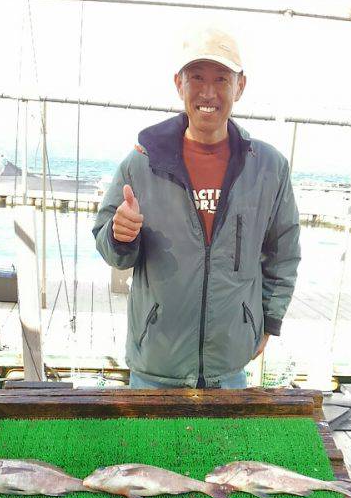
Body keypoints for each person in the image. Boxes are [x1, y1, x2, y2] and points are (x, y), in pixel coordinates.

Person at [92, 27, 300, 389]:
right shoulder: (140, 164)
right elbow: (113, 252)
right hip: (154, 363)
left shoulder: (270, 167)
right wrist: (119, 234)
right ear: (178, 83)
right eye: (196, 78)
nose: (208, 92)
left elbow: (282, 253)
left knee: (223, 449)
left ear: (240, 86)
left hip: (230, 365)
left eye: (221, 78)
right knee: (147, 448)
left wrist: (268, 320)